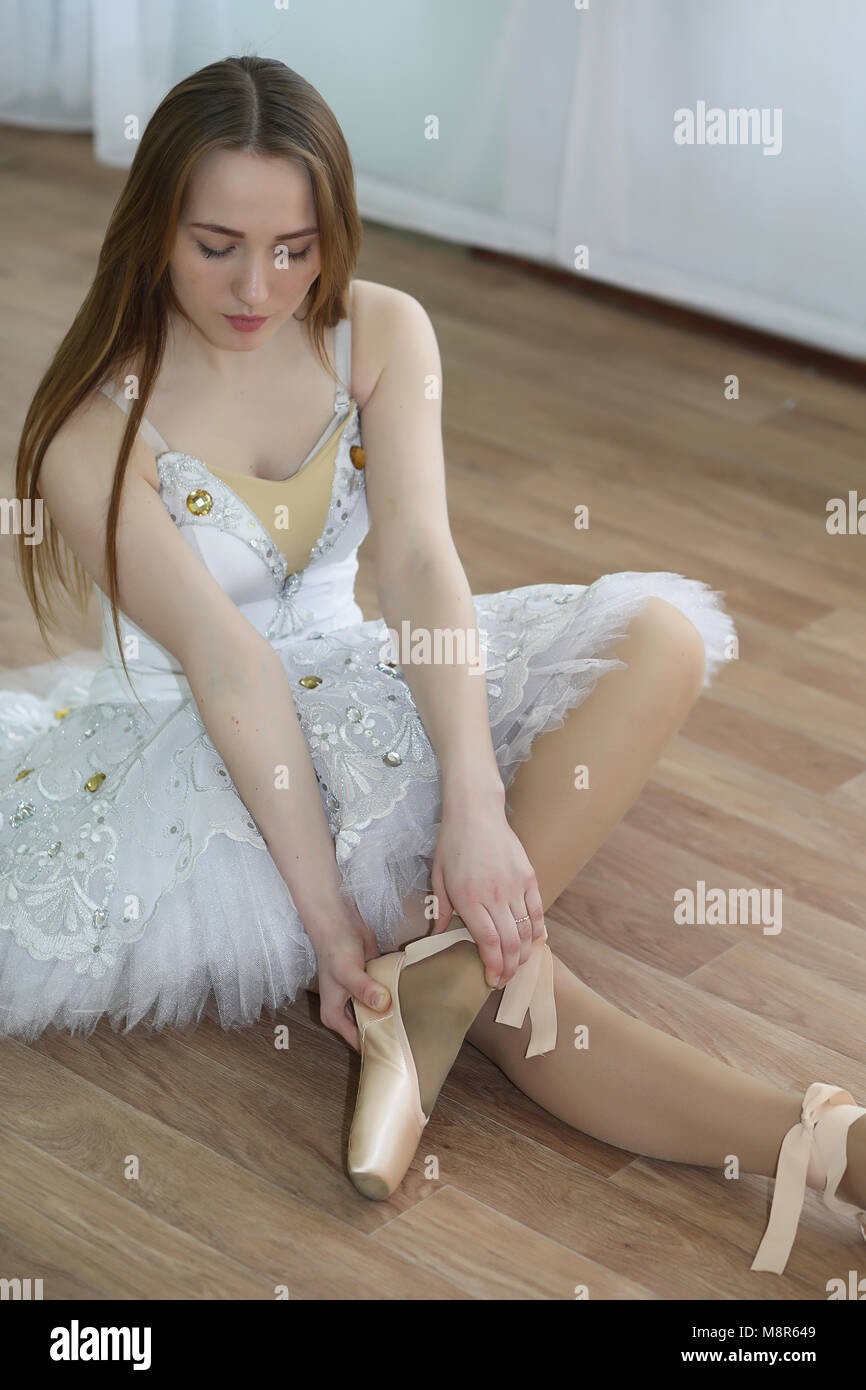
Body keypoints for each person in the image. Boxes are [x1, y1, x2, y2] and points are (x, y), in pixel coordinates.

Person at [2, 55, 863, 1280]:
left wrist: (473, 803)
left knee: (658, 634)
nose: (261, 286)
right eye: (218, 245)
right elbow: (227, 659)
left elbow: (417, 564)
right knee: (517, 971)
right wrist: (326, 924)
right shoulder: (96, 422)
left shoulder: (380, 331)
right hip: (217, 743)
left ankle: (430, 971)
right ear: (151, 228)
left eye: (295, 246)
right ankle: (827, 1148)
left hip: (373, 678)